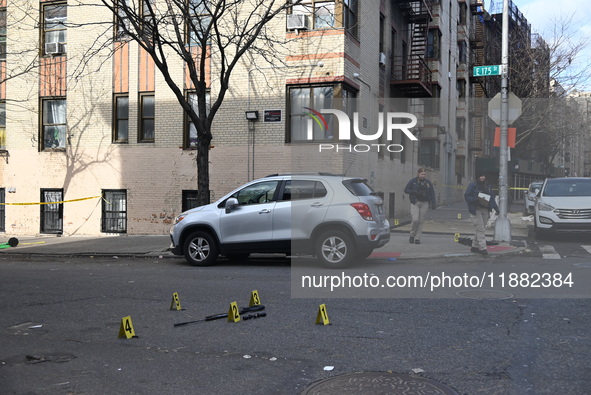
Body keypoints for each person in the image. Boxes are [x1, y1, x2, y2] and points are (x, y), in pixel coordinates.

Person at [464, 173, 499, 256]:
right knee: (481, 229)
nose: (483, 177)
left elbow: (492, 198)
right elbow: (467, 196)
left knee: (481, 228)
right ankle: (483, 248)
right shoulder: (473, 185)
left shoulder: (487, 186)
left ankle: (474, 246)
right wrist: (474, 200)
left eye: (484, 176)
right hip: (476, 210)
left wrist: (496, 208)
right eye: (481, 176)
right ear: (478, 177)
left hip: (485, 209)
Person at [404, 168, 436, 245]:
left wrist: (433, 202)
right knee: (415, 219)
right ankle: (412, 234)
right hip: (415, 202)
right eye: (422, 174)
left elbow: (432, 193)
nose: (423, 176)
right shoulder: (413, 181)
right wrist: (413, 192)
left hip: (425, 203)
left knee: (421, 221)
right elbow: (406, 190)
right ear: (418, 174)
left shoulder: (427, 183)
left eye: (424, 174)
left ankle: (417, 237)